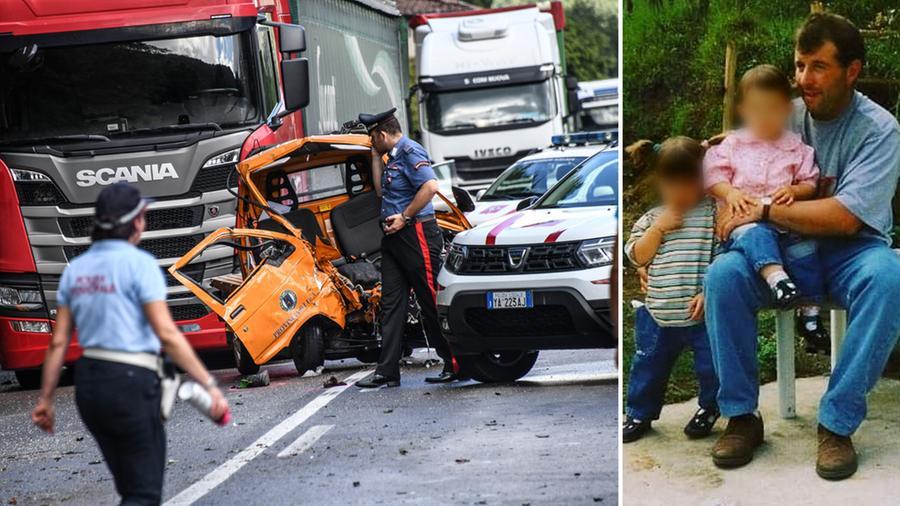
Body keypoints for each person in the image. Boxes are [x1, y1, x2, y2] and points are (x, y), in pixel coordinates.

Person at [706, 13, 900, 479]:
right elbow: (726, 167)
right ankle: (740, 416)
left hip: (849, 252)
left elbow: (846, 217)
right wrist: (728, 198)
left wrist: (765, 210)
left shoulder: (880, 129)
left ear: (851, 70)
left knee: (891, 276)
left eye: (818, 67)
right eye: (798, 66)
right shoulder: (779, 113)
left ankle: (836, 422)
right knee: (722, 277)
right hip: (776, 249)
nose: (803, 80)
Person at [31, 182, 229, 505]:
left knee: (131, 490)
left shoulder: (75, 271)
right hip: (131, 386)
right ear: (135, 222)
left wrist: (46, 400)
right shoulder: (141, 265)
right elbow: (167, 334)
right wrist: (209, 384)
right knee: (143, 494)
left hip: (90, 387)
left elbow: (59, 344)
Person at [704, 64, 829, 353]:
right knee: (755, 234)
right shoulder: (734, 144)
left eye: (772, 109)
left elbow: (810, 181)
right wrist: (730, 191)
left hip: (785, 223)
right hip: (744, 222)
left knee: (808, 252)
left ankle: (809, 315)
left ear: (786, 109)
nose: (764, 116)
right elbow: (712, 175)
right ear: (743, 110)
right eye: (756, 109)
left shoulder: (796, 147)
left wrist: (795, 190)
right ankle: (777, 279)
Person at [622, 137, 720, 443]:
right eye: (670, 185)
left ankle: (709, 408)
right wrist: (657, 230)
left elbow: (723, 254)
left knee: (710, 366)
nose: (678, 192)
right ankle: (640, 413)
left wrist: (709, 292)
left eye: (686, 184)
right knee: (648, 366)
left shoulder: (713, 214)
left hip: (700, 314)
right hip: (658, 313)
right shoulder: (653, 218)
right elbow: (637, 256)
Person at [354, 109, 459, 388]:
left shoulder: (411, 151)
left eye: (373, 140)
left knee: (430, 300)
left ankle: (456, 361)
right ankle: (387, 371)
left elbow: (430, 186)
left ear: (382, 134)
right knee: (391, 305)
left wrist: (405, 217)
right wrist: (375, 156)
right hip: (393, 238)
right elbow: (380, 192)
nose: (372, 144)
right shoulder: (391, 157)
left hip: (417, 233)